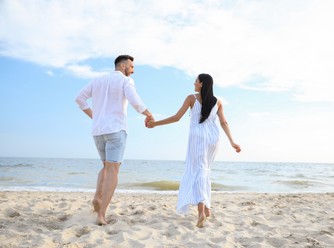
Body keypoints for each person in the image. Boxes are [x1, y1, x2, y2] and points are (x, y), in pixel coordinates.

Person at [146, 73, 241, 228]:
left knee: (198, 171)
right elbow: (224, 122)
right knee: (205, 171)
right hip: (213, 138)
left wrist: (155, 124)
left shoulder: (191, 98)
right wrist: (232, 141)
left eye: (196, 81)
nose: (194, 83)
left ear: (202, 84)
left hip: (198, 137)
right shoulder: (218, 102)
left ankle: (201, 211)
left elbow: (176, 117)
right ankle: (208, 209)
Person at [75, 55, 154, 225]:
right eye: (131, 67)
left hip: (97, 131)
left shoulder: (97, 80)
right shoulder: (126, 81)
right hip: (116, 129)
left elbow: (79, 98)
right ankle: (101, 214)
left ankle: (97, 196)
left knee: (105, 166)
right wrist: (148, 114)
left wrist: (95, 117)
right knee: (113, 170)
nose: (132, 71)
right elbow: (135, 101)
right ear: (123, 66)